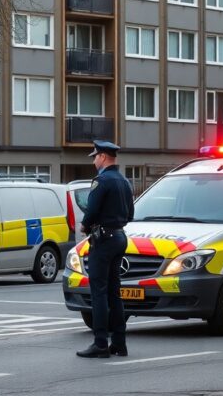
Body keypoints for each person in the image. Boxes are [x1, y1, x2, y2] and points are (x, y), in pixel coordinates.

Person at [76, 140, 135, 359]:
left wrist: (84, 226)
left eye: (95, 157)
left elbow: (91, 211)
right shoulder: (124, 181)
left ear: (102, 157)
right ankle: (119, 343)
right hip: (119, 236)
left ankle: (100, 343)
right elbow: (130, 214)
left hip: (103, 240)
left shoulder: (101, 181)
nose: (94, 161)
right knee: (114, 292)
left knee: (98, 292)